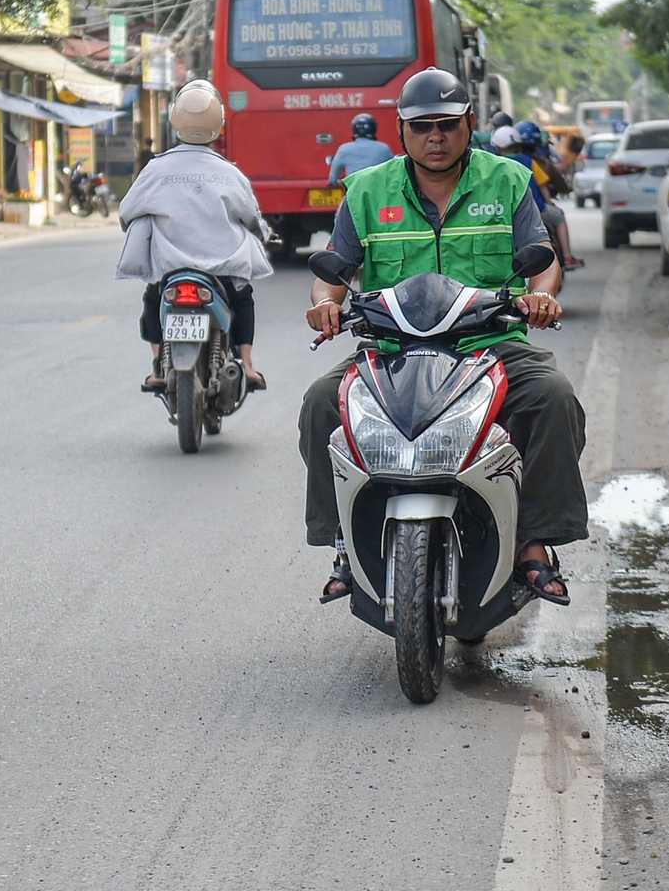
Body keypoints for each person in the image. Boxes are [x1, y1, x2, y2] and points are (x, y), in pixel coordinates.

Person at [300, 69, 587, 606]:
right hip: (392, 351)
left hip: (489, 347)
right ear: (402, 130)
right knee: (320, 402)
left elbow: (543, 260)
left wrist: (543, 296)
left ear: (469, 125)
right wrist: (325, 305)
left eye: (448, 125)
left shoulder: (508, 181)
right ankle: (344, 542)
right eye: (423, 126)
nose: (436, 137)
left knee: (553, 397)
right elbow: (333, 272)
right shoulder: (366, 190)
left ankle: (533, 543)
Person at [118, 80, 272, 393]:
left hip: (172, 272)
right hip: (223, 273)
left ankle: (159, 366)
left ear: (175, 121)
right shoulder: (230, 172)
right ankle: (248, 365)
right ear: (220, 124)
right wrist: (263, 232)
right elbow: (251, 218)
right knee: (243, 299)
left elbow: (127, 211)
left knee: (152, 297)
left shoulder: (155, 169)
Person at [494, 121, 584, 271]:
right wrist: (549, 203)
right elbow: (543, 186)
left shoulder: (494, 165)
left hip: (504, 212)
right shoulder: (530, 162)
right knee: (559, 217)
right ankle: (568, 257)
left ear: (496, 147)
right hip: (538, 209)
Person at [327, 113, 394, 183]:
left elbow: (332, 180)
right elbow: (393, 173)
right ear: (374, 129)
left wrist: (345, 184)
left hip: (354, 192)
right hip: (377, 192)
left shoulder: (343, 149)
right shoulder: (384, 148)